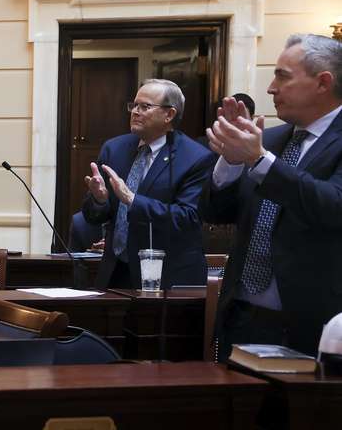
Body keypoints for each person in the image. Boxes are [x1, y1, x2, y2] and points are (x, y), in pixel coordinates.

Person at [201, 33, 342, 359]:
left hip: (311, 325)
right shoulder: (271, 139)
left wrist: (259, 160)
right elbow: (214, 212)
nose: (270, 88)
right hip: (242, 318)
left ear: (322, 83)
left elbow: (332, 206)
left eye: (282, 76)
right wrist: (230, 162)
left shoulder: (265, 150)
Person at [81, 78, 214, 290]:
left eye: (145, 107)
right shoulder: (114, 149)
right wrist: (99, 200)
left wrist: (132, 200)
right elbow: (93, 216)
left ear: (169, 114)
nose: (135, 111)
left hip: (167, 276)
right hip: (116, 271)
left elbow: (188, 218)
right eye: (134, 105)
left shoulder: (196, 158)